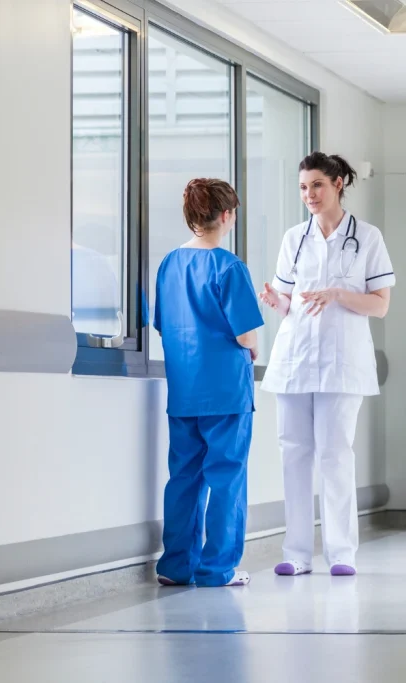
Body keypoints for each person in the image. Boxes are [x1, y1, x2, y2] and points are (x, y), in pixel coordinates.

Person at [259, 152, 395, 577]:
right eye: (303, 187)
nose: (309, 194)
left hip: (342, 362)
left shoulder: (367, 237)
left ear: (338, 183)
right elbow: (289, 302)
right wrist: (275, 300)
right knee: (294, 455)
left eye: (316, 185)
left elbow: (380, 305)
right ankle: (297, 554)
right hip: (295, 359)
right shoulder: (294, 238)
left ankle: (341, 553)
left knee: (336, 456)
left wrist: (336, 293)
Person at [153, 178, 264, 588]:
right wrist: (252, 349)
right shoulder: (230, 267)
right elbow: (246, 335)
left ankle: (175, 566)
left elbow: (164, 326)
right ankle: (218, 569)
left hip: (184, 392)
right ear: (227, 215)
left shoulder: (168, 265)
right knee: (227, 479)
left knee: (183, 478)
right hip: (226, 393)